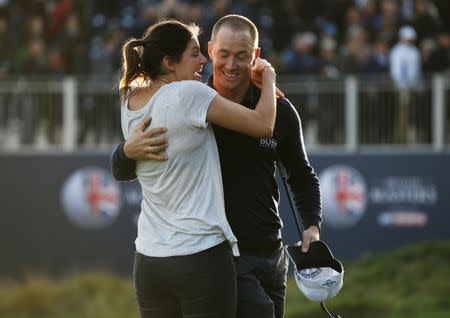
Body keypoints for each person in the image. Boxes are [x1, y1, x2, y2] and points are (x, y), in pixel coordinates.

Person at [111, 15, 322, 318]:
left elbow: (301, 174)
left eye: (242, 56)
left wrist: (312, 227)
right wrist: (124, 151)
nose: (232, 64)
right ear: (211, 51)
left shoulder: (279, 110)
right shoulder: (192, 103)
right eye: (223, 55)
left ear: (256, 56)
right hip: (222, 257)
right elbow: (127, 168)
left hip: (271, 255)